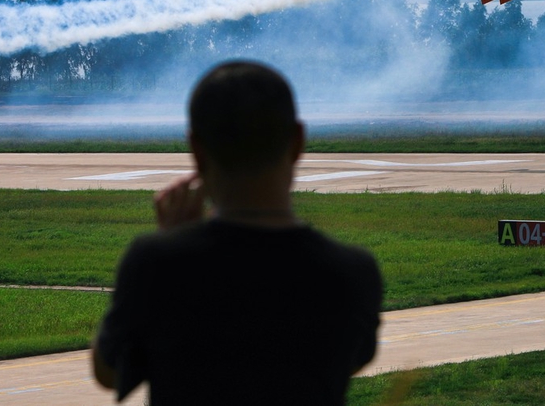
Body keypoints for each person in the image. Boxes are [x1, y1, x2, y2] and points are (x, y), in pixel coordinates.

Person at [92, 60, 383, 405]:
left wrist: (176, 244)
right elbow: (349, 359)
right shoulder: (352, 272)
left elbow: (107, 371)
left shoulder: (156, 262)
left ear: (197, 151)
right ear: (298, 142)